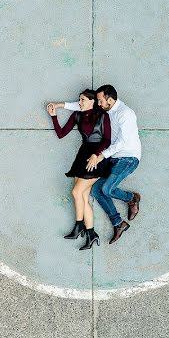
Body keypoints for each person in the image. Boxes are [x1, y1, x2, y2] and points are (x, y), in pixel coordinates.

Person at [62, 85, 141, 246]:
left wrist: (100, 155)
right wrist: (60, 105)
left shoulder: (125, 114)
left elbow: (122, 143)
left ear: (110, 100)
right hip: (113, 158)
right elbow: (83, 104)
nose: (99, 103)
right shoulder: (107, 109)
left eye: (100, 100)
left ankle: (132, 198)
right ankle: (119, 224)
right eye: (97, 100)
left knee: (106, 189)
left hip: (128, 158)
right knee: (96, 190)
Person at [46, 90, 112, 250]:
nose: (79, 102)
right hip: (82, 157)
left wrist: (96, 155)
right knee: (82, 196)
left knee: (76, 192)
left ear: (92, 101)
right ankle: (91, 234)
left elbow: (107, 140)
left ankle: (78, 226)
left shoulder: (102, 115)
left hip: (97, 158)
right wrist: (54, 116)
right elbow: (61, 134)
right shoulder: (77, 115)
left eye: (82, 100)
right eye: (79, 100)